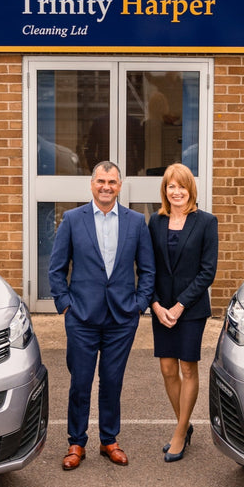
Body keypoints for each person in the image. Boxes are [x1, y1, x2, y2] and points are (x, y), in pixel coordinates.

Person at [48, 160, 155, 470]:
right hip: (81, 317)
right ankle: (76, 442)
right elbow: (56, 268)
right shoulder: (72, 219)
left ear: (120, 186)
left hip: (122, 318)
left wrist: (139, 304)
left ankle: (109, 439)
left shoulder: (136, 222)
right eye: (101, 181)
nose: (106, 187)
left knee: (112, 381)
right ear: (92, 184)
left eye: (112, 182)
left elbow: (147, 269)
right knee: (80, 382)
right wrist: (65, 305)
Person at [147, 163, 218, 462]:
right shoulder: (155, 221)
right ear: (164, 190)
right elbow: (147, 267)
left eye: (182, 186)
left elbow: (207, 272)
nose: (177, 192)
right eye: (171, 186)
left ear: (191, 189)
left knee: (188, 368)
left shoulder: (206, 222)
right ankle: (184, 424)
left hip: (190, 309)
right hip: (161, 308)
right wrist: (155, 305)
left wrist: (179, 306)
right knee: (167, 368)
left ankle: (179, 433)